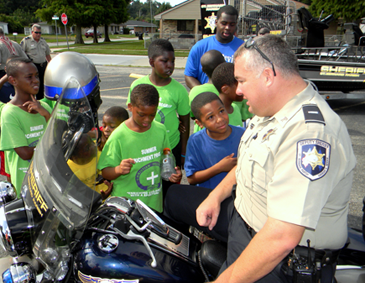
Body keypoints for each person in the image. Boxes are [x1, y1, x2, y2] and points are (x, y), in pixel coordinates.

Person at [165, 34, 356, 282]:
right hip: (243, 223)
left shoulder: (308, 133)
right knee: (173, 198)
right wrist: (216, 195)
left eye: (242, 80)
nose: (239, 89)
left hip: (277, 259)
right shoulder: (270, 108)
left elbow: (281, 237)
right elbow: (245, 161)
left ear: (267, 76)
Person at [99, 84, 182, 213]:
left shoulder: (160, 130)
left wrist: (171, 174)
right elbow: (105, 171)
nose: (147, 120)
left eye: (152, 115)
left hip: (153, 205)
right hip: (126, 207)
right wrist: (118, 169)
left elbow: (165, 156)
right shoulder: (118, 136)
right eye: (142, 114)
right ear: (130, 107)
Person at [127, 39, 189, 199]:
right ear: (151, 62)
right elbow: (132, 117)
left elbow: (185, 121)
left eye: (173, 61)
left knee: (170, 188)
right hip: (146, 147)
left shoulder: (179, 90)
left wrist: (183, 152)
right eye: (164, 61)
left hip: (170, 148)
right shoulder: (137, 85)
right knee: (148, 183)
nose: (170, 65)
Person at [0, 57, 52, 195]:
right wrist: (51, 146)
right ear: (13, 81)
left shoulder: (45, 107)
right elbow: (25, 153)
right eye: (29, 77)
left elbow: (59, 138)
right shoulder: (10, 113)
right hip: (27, 186)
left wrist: (47, 116)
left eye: (36, 76)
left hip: (49, 180)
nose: (36, 80)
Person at [186, 92, 244, 189]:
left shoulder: (243, 134)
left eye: (221, 111)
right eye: (211, 117)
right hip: (209, 196)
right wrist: (219, 168)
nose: (219, 119)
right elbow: (192, 178)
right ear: (199, 123)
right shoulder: (196, 141)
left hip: (240, 196)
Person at [184, 5, 244, 89]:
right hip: (206, 100)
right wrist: (205, 93)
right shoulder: (200, 47)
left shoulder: (244, 49)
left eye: (232, 24)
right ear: (216, 22)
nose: (227, 27)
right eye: (224, 23)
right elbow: (189, 76)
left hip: (233, 101)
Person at [189, 49, 225, 133]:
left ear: (203, 70)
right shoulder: (232, 90)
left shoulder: (195, 91)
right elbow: (245, 116)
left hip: (203, 137)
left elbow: (193, 115)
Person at [68, 133, 113, 200]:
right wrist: (99, 199)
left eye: (92, 141)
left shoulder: (100, 149)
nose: (93, 146)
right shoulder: (69, 169)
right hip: (92, 201)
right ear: (73, 157)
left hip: (112, 192)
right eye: (87, 148)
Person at [21, 24, 52, 100]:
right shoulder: (26, 41)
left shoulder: (43, 41)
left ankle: (40, 101)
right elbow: (21, 54)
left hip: (43, 66)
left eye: (40, 33)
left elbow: (47, 54)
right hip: (33, 67)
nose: (38, 34)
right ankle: (31, 100)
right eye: (36, 32)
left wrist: (51, 65)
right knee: (33, 85)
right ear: (32, 32)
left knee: (42, 85)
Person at [211, 62, 243, 127]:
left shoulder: (235, 108)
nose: (243, 88)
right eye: (240, 84)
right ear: (225, 89)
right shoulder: (210, 116)